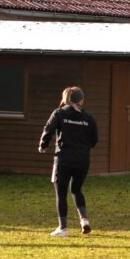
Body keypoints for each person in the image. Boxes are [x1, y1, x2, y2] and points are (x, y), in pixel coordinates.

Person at [38, 86, 98, 236]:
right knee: (77, 190)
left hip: (63, 159)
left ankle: (63, 228)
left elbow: (48, 129)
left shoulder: (59, 113)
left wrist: (43, 145)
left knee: (61, 193)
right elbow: (94, 140)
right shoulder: (88, 118)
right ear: (82, 100)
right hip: (83, 160)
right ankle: (84, 220)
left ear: (66, 99)